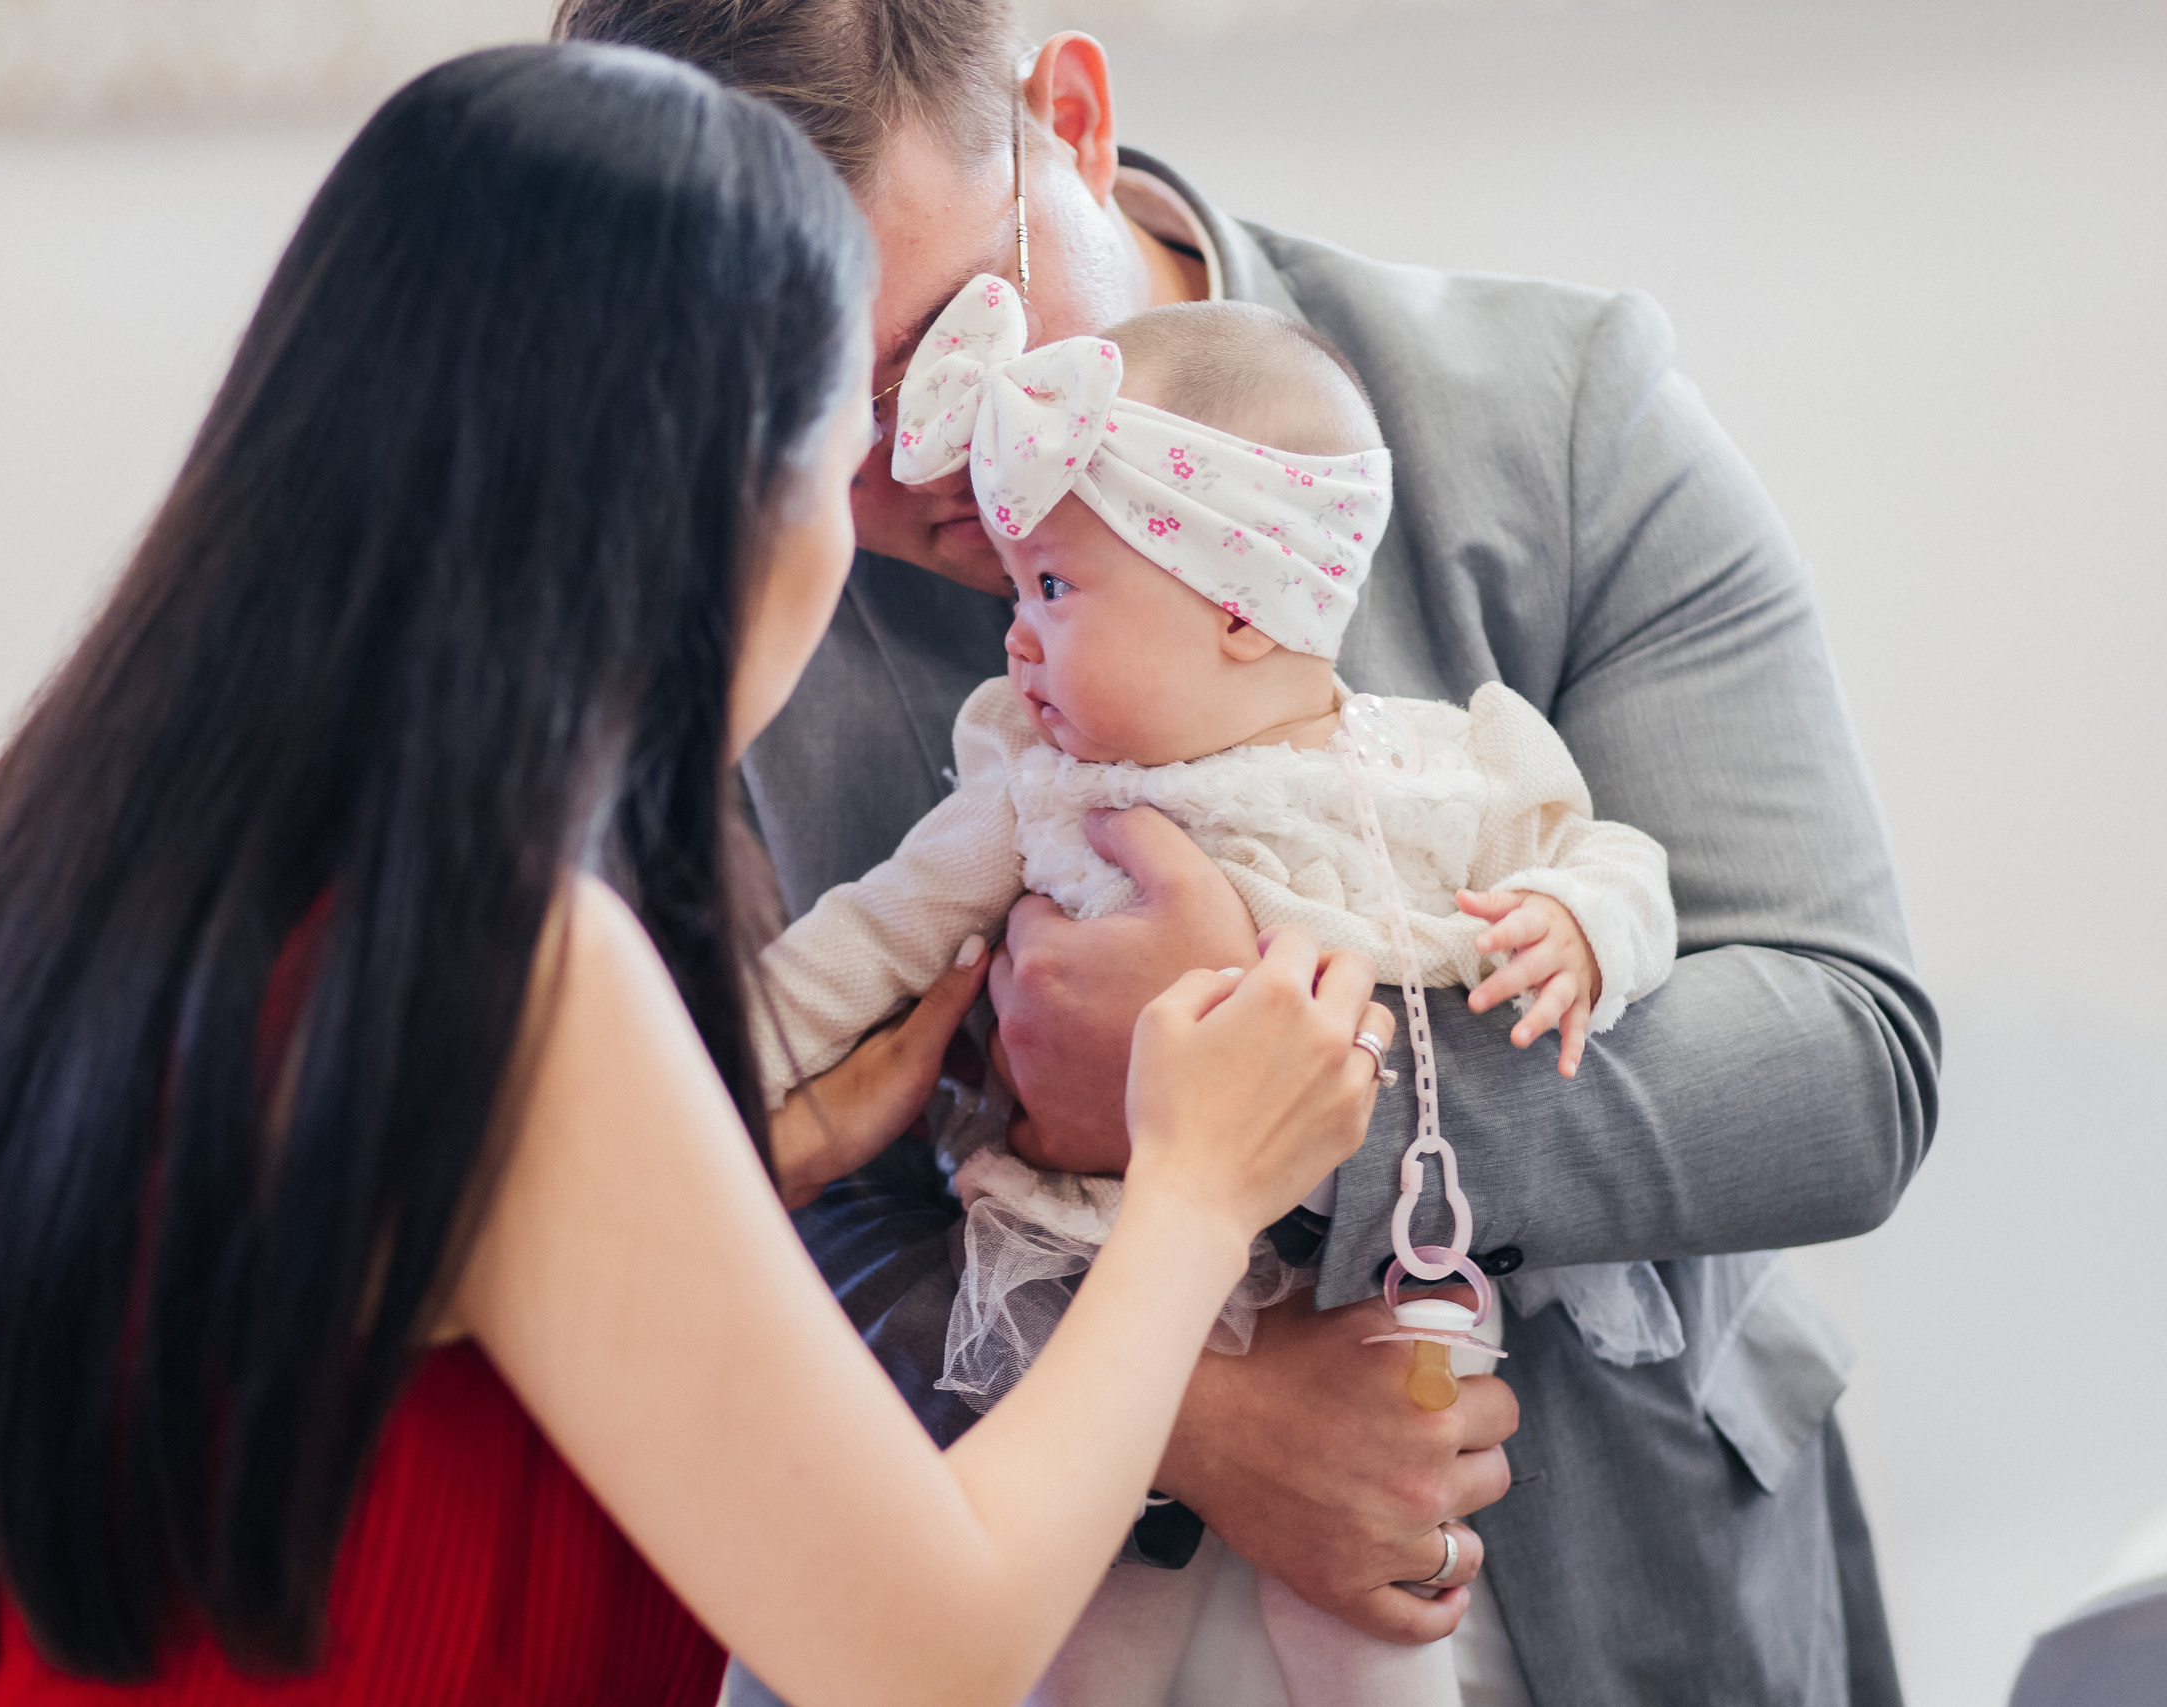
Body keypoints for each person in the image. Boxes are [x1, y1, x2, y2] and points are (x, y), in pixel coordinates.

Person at [0, 44, 1407, 1707]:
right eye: (843, 430)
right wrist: (1198, 1194)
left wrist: (741, 1160)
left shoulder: (53, 859)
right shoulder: (512, 976)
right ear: (716, 488)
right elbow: (929, 1652)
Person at [550, 3, 1940, 1703]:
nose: (895, 469)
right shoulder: (706, 589)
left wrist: (1264, 1073)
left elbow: (1848, 1061)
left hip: (1629, 1596)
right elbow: (678, 1177)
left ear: (1067, 116)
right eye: (794, 404)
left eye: (932, 353)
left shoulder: (1558, 416)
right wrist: (1188, 1408)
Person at [752, 287, 1680, 1707]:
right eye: (1021, 590)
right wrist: (719, 1076)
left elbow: (1609, 857)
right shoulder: (1038, 788)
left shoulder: (1430, 772)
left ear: (1245, 611)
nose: (1016, 636)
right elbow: (865, 941)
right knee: (1083, 1628)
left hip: (1379, 1296)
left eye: (1054, 591)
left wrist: (1581, 924)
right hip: (1097, 1285)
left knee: (1379, 1631)